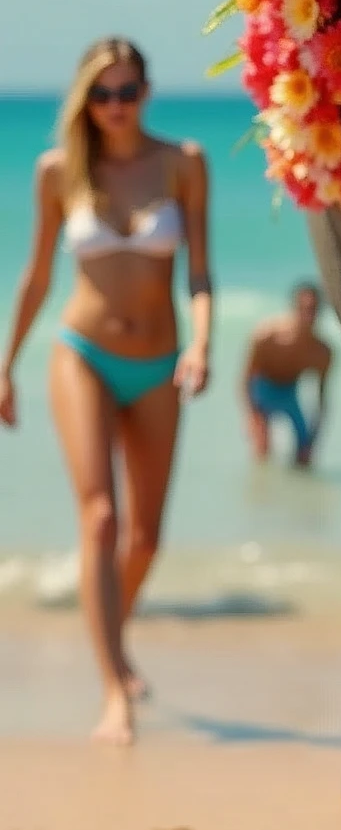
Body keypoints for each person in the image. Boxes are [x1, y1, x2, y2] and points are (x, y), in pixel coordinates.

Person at [0, 37, 211, 744]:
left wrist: (204, 344)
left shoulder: (183, 163)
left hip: (159, 363)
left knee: (146, 538)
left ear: (145, 93)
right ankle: (114, 685)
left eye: (126, 92)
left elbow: (201, 274)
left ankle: (110, 636)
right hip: (81, 354)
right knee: (100, 519)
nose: (115, 107)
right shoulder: (59, 170)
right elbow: (34, 278)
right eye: (101, 94)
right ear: (84, 99)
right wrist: (5, 365)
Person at [241, 283, 332, 468]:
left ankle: (300, 494)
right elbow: (246, 378)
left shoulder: (321, 352)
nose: (308, 316)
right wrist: (251, 416)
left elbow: (321, 400)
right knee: (262, 450)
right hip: (262, 389)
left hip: (289, 394)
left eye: (313, 310)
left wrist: (313, 439)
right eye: (304, 309)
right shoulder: (267, 336)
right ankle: (260, 490)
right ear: (294, 308)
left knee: (304, 457)